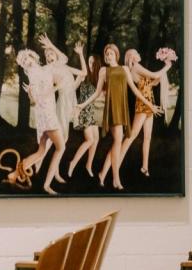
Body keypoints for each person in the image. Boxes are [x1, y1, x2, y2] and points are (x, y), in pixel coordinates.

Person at [75, 43, 162, 190]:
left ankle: (106, 175)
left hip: (121, 109)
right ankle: (116, 179)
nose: (108, 56)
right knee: (117, 140)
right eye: (106, 54)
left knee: (117, 142)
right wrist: (81, 105)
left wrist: (150, 105)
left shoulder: (125, 69)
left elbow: (135, 90)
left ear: (116, 54)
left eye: (110, 53)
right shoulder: (103, 71)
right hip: (111, 109)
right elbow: (96, 93)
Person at [2, 49, 65, 195]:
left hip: (44, 114)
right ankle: (47, 185)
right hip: (47, 115)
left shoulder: (40, 70)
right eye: (23, 61)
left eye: (27, 58)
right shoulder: (35, 73)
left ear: (33, 57)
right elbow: (38, 98)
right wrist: (52, 88)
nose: (26, 62)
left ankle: (14, 175)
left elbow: (38, 97)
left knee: (41, 151)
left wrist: (42, 91)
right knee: (60, 148)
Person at [106, 47, 173, 178]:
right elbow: (154, 75)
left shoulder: (136, 69)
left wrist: (159, 77)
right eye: (136, 53)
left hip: (149, 103)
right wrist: (167, 66)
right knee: (131, 137)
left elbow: (151, 83)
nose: (139, 54)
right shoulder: (136, 67)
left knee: (147, 138)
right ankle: (116, 166)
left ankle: (145, 167)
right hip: (143, 104)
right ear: (131, 57)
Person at [67, 48, 101, 178]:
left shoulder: (99, 77)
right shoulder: (84, 75)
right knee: (89, 140)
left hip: (93, 111)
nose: (90, 65)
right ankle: (72, 163)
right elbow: (74, 87)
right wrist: (81, 54)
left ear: (97, 64)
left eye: (93, 63)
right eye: (89, 62)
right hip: (83, 110)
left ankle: (89, 165)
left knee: (96, 139)